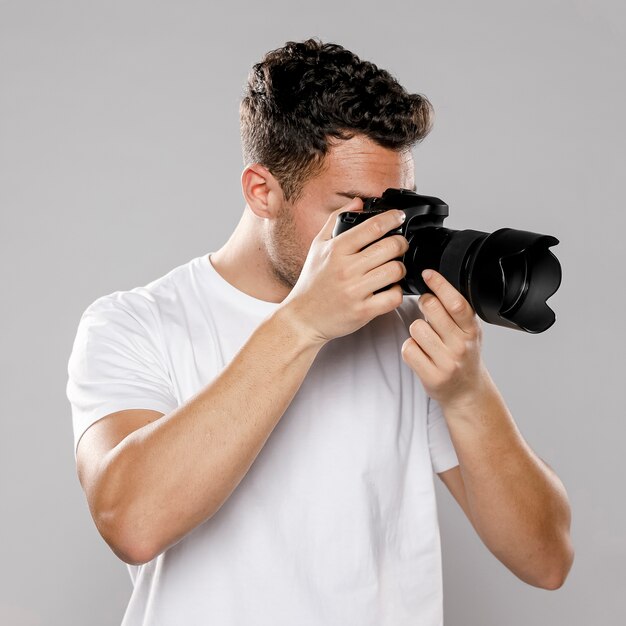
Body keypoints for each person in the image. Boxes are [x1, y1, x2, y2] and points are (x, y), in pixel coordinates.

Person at [66, 38, 574, 626]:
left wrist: (468, 393)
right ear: (263, 192)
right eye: (356, 207)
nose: (384, 233)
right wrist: (303, 323)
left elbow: (546, 561)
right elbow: (132, 523)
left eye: (398, 207)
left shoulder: (404, 329)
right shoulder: (135, 322)